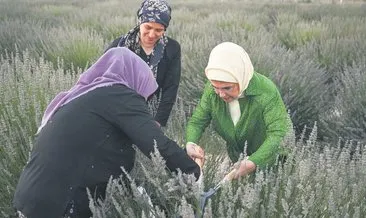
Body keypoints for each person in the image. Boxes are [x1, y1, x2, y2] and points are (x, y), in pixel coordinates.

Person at [12, 47, 200, 218]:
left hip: (29, 198)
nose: (144, 99)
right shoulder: (120, 96)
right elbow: (155, 144)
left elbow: (104, 154)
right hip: (60, 205)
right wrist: (194, 173)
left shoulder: (85, 95)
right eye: (145, 92)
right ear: (135, 78)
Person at [185, 42, 290, 180]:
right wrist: (191, 143)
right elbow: (198, 121)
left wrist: (254, 161)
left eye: (227, 88)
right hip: (238, 161)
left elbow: (278, 134)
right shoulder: (212, 89)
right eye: (216, 87)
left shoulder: (266, 91)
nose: (221, 94)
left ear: (241, 77)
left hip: (274, 163)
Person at [105, 0, 181, 127]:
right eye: (148, 27)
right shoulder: (119, 46)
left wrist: (158, 122)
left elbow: (171, 88)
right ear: (140, 22)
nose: (152, 34)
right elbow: (101, 81)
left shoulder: (171, 48)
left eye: (159, 30)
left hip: (152, 115)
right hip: (118, 112)